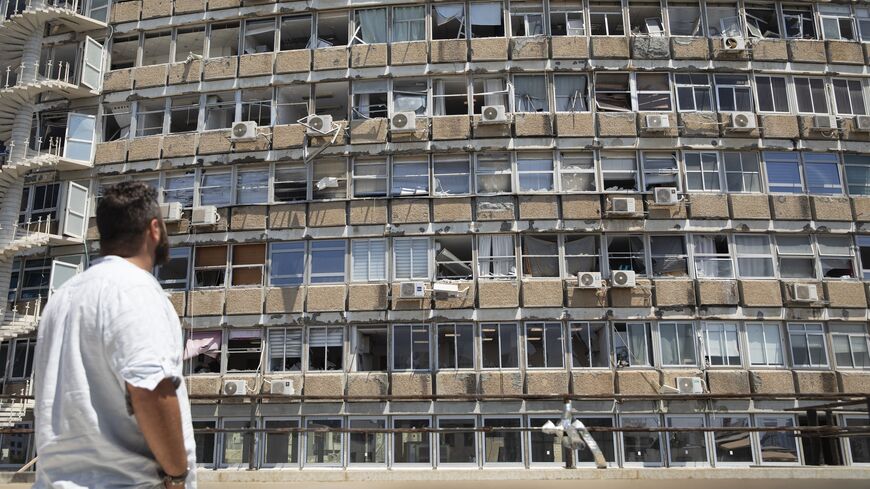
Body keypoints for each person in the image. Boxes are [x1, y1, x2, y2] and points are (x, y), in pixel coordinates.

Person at [32, 182, 196, 488]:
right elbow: (150, 389)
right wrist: (176, 476)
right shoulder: (133, 289)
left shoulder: (63, 297)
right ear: (154, 230)